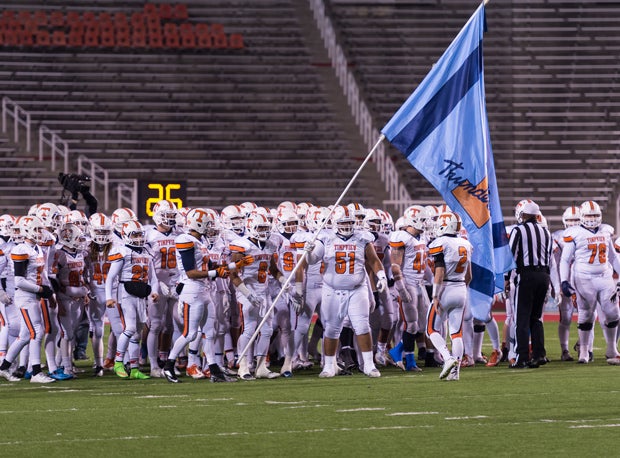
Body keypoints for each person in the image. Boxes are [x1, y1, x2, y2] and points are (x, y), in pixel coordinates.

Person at [304, 205, 387, 378]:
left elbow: (374, 260)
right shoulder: (325, 238)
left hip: (357, 289)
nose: (347, 226)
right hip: (332, 290)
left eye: (350, 222)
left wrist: (382, 276)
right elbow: (312, 260)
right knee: (332, 329)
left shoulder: (362, 238)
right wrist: (308, 252)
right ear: (335, 223)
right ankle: (328, 366)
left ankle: (369, 365)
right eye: (344, 222)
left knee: (363, 325)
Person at [559, 200, 620, 365]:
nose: (592, 218)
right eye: (589, 215)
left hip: (605, 276)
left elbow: (613, 257)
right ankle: (584, 350)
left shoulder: (606, 230)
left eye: (595, 215)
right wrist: (564, 281)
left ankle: (611, 348)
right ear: (582, 216)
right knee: (586, 315)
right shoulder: (575, 233)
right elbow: (565, 260)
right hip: (584, 278)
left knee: (614, 313)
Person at [105, 220, 160, 380]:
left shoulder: (146, 252)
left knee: (137, 334)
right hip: (126, 294)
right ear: (126, 236)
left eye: (140, 234)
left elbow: (154, 278)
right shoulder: (122, 251)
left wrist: (154, 291)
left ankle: (134, 368)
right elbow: (111, 278)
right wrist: (109, 297)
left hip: (141, 294)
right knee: (129, 329)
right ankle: (118, 362)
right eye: (134, 234)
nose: (138, 238)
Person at [426, 211, 472, 381]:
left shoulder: (440, 242)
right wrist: (461, 289)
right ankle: (455, 373)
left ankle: (448, 358)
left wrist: (435, 295)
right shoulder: (465, 243)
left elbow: (439, 271)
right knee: (456, 333)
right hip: (461, 288)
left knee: (431, 329)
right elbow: (469, 276)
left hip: (445, 287)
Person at [507, 201, 552, 369]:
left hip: (526, 276)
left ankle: (522, 357)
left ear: (523, 214)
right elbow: (549, 258)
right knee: (536, 318)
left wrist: (506, 278)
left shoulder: (518, 230)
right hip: (544, 276)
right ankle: (539, 355)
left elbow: (510, 255)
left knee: (521, 319)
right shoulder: (546, 231)